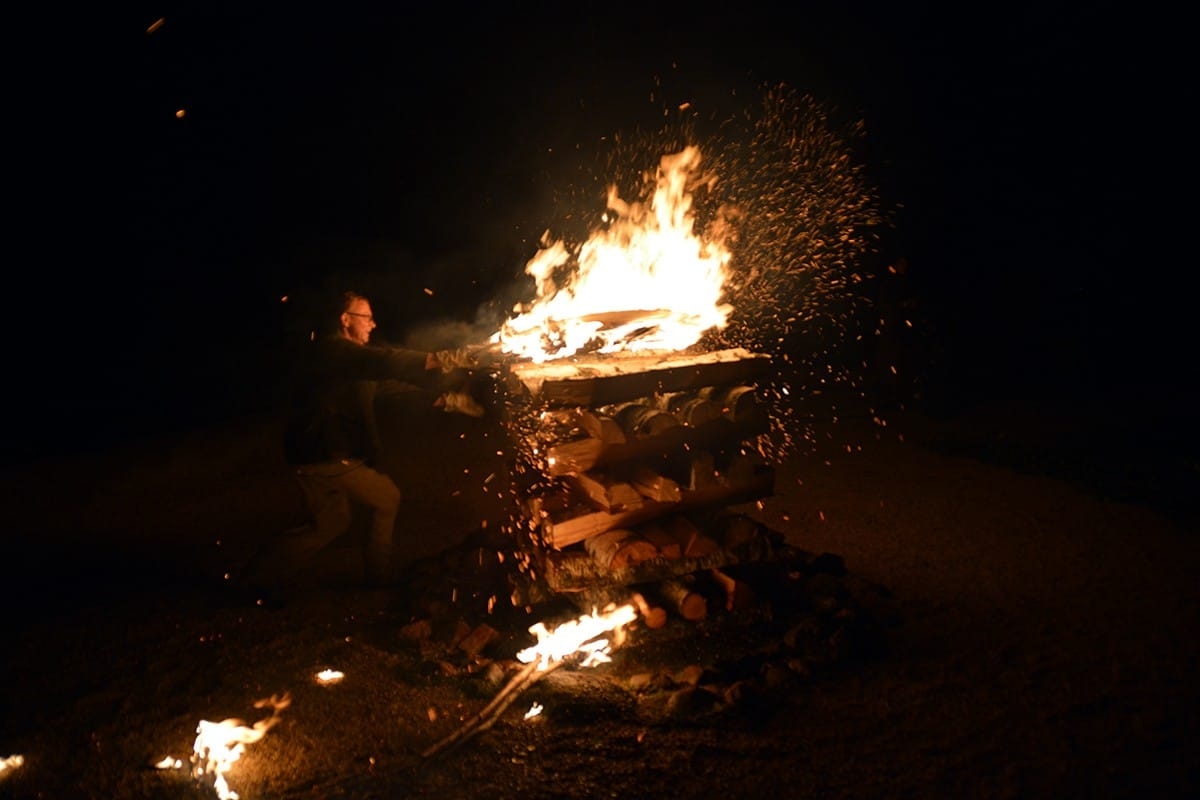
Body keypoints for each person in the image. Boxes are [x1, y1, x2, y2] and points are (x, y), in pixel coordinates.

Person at [242, 290, 486, 597]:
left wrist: (447, 401)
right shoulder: (332, 351)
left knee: (329, 523)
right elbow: (386, 362)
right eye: (365, 317)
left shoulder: (353, 363)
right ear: (345, 320)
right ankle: (379, 576)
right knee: (386, 497)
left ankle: (256, 578)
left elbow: (392, 386)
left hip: (314, 455)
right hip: (324, 453)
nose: (372, 324)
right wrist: (445, 358)